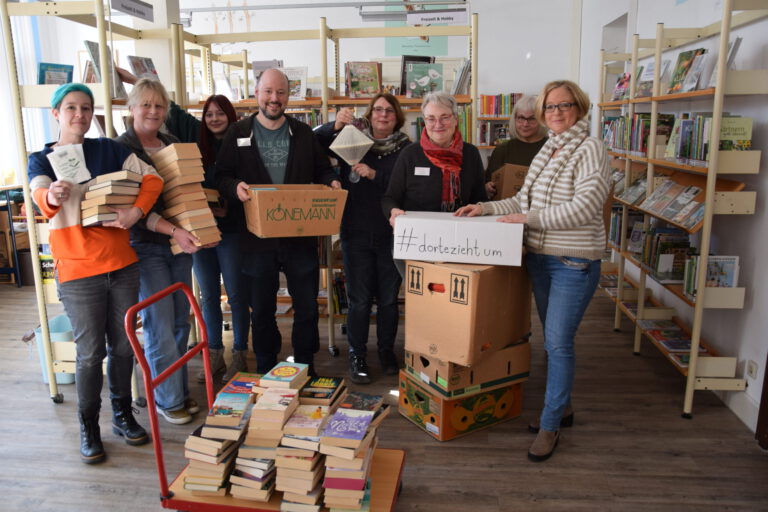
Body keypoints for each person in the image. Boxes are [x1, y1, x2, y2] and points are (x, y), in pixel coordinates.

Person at [455, 80, 611, 462]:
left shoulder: (590, 148)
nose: (556, 113)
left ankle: (550, 424)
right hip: (540, 258)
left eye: (564, 105)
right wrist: (484, 208)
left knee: (558, 343)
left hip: (573, 262)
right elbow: (521, 200)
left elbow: (585, 207)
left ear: (580, 107)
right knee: (552, 340)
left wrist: (529, 219)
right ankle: (563, 407)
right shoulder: (549, 148)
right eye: (550, 107)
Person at [28, 83, 163, 463]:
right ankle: (88, 425)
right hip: (77, 270)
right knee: (89, 354)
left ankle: (122, 414)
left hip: (122, 264)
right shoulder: (41, 159)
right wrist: (51, 196)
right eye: (71, 108)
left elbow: (153, 179)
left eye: (86, 108)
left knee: (123, 346)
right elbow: (39, 195)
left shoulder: (109, 149)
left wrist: (136, 212)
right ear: (56, 114)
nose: (80, 115)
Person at [216, 69, 341, 375]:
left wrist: (332, 181)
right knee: (261, 310)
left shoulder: (303, 134)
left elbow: (322, 169)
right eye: (268, 92)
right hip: (256, 239)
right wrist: (235, 187)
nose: (275, 98)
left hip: (299, 236)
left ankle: (306, 366)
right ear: (256, 93)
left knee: (307, 307)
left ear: (288, 96)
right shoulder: (238, 132)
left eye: (281, 92)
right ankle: (265, 366)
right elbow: (221, 176)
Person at [115, 78, 204, 425]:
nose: (153, 111)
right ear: (132, 108)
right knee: (159, 323)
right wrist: (176, 230)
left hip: (179, 244)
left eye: (159, 105)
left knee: (180, 319)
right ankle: (168, 399)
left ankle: (175, 390)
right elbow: (130, 209)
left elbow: (185, 192)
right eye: (146, 104)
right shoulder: (120, 148)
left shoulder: (171, 143)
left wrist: (200, 227)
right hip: (146, 246)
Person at [314, 93, 410, 384]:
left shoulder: (406, 148)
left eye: (389, 111)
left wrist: (374, 174)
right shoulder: (352, 139)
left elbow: (406, 187)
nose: (383, 115)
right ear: (369, 114)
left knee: (389, 300)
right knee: (359, 300)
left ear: (397, 117)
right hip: (355, 231)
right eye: (378, 110)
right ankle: (357, 355)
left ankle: (385, 351)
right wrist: (335, 125)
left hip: (391, 234)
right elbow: (314, 143)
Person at [382, 91, 487, 276]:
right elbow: (390, 198)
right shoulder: (410, 154)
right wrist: (393, 211)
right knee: (423, 293)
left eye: (444, 117)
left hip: (460, 244)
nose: (438, 124)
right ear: (424, 121)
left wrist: (479, 209)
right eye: (431, 118)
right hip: (416, 243)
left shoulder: (470, 154)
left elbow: (481, 199)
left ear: (455, 119)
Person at [484, 94, 548, 199]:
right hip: (505, 207)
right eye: (521, 118)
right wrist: (487, 188)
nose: (525, 124)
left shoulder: (551, 148)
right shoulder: (502, 150)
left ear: (542, 120)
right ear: (514, 119)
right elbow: (488, 182)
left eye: (532, 118)